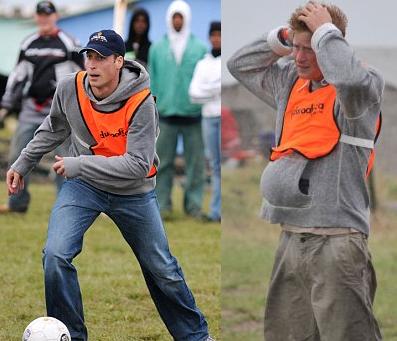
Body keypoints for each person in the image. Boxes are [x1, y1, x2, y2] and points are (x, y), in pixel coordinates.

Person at [6, 29, 214, 341]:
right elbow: (52, 128)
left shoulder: (142, 102)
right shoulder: (70, 88)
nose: (91, 64)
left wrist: (79, 164)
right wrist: (22, 163)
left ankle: (195, 337)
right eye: (88, 56)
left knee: (162, 269)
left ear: (119, 61)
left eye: (100, 58)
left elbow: (138, 165)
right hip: (85, 187)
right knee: (56, 255)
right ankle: (70, 336)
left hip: (134, 192)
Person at [227, 2, 383, 340]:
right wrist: (283, 36)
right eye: (295, 47)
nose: (298, 57)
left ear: (331, 44)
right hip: (291, 237)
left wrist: (326, 31)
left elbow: (349, 76)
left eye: (308, 49)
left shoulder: (359, 92)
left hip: (337, 240)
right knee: (287, 335)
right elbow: (239, 64)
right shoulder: (290, 84)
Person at [0, 0, 84, 214]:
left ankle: (67, 205)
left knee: (64, 160)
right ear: (37, 17)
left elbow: (83, 76)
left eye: (48, 14)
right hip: (31, 108)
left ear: (55, 16)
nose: (44, 18)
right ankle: (16, 203)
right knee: (18, 155)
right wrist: (5, 106)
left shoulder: (69, 42)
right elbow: (17, 77)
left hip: (60, 111)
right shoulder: (28, 43)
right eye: (40, 15)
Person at [148, 0, 207, 219]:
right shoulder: (157, 48)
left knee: (195, 164)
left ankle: (193, 206)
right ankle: (162, 206)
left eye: (181, 17)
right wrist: (152, 109)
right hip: (165, 114)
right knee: (162, 163)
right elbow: (151, 80)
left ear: (187, 18)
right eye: (174, 17)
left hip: (193, 114)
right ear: (169, 19)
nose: (177, 21)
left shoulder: (199, 48)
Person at [189, 21, 221, 222]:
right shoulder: (203, 63)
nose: (216, 38)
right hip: (208, 118)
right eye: (214, 35)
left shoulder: (225, 61)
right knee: (215, 165)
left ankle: (221, 210)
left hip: (222, 116)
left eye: (220, 34)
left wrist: (208, 89)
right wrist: (215, 89)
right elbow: (193, 94)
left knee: (222, 166)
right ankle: (215, 211)